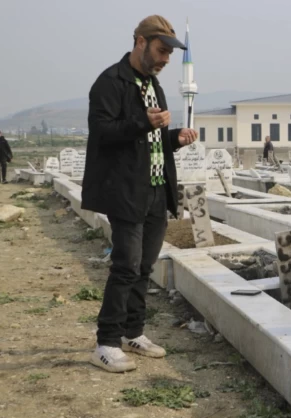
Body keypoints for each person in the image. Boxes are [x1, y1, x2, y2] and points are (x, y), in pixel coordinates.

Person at [81, 15, 198, 373]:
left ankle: (133, 332)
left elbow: (149, 139)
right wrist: (144, 122)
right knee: (126, 266)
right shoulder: (110, 82)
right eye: (161, 51)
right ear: (140, 42)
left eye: (169, 54)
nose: (165, 60)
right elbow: (103, 132)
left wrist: (173, 138)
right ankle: (106, 342)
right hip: (125, 192)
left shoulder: (153, 85)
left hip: (154, 190)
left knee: (145, 266)